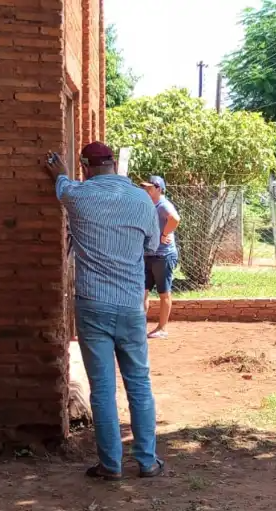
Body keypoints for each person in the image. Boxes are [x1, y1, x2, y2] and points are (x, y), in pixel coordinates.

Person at [45, 142, 165, 481]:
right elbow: (152, 245)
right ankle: (147, 461)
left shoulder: (78, 195)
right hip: (130, 305)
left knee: (102, 389)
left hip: (93, 304)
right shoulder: (142, 200)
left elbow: (62, 185)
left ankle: (110, 465)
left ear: (86, 167)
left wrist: (60, 172)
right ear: (113, 164)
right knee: (139, 384)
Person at [140, 176, 181, 339]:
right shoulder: (150, 205)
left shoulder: (163, 205)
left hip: (163, 255)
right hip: (148, 255)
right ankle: (139, 328)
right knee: (142, 292)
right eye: (145, 187)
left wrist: (164, 234)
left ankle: (162, 328)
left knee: (164, 293)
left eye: (149, 188)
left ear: (158, 189)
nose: (146, 190)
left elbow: (175, 219)